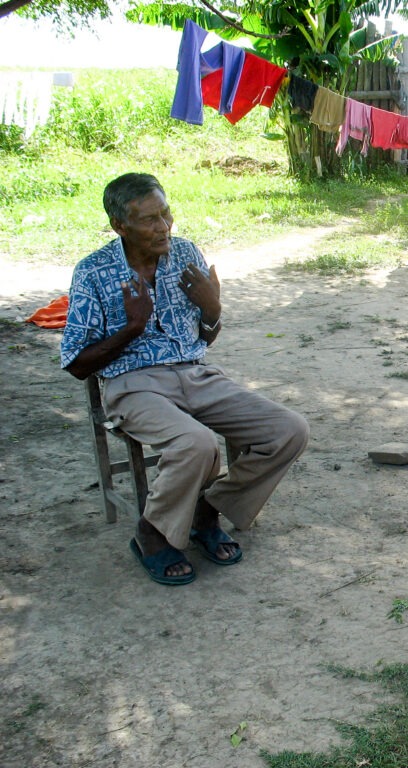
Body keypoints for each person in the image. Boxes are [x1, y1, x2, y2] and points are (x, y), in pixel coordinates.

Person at [61, 172, 309, 586]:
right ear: (120, 226)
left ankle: (206, 509)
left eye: (166, 213)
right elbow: (76, 363)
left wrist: (213, 310)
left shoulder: (185, 253)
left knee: (289, 430)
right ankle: (152, 535)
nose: (164, 227)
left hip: (195, 373)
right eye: (150, 220)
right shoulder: (93, 272)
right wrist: (129, 330)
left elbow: (205, 336)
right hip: (133, 384)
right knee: (196, 443)